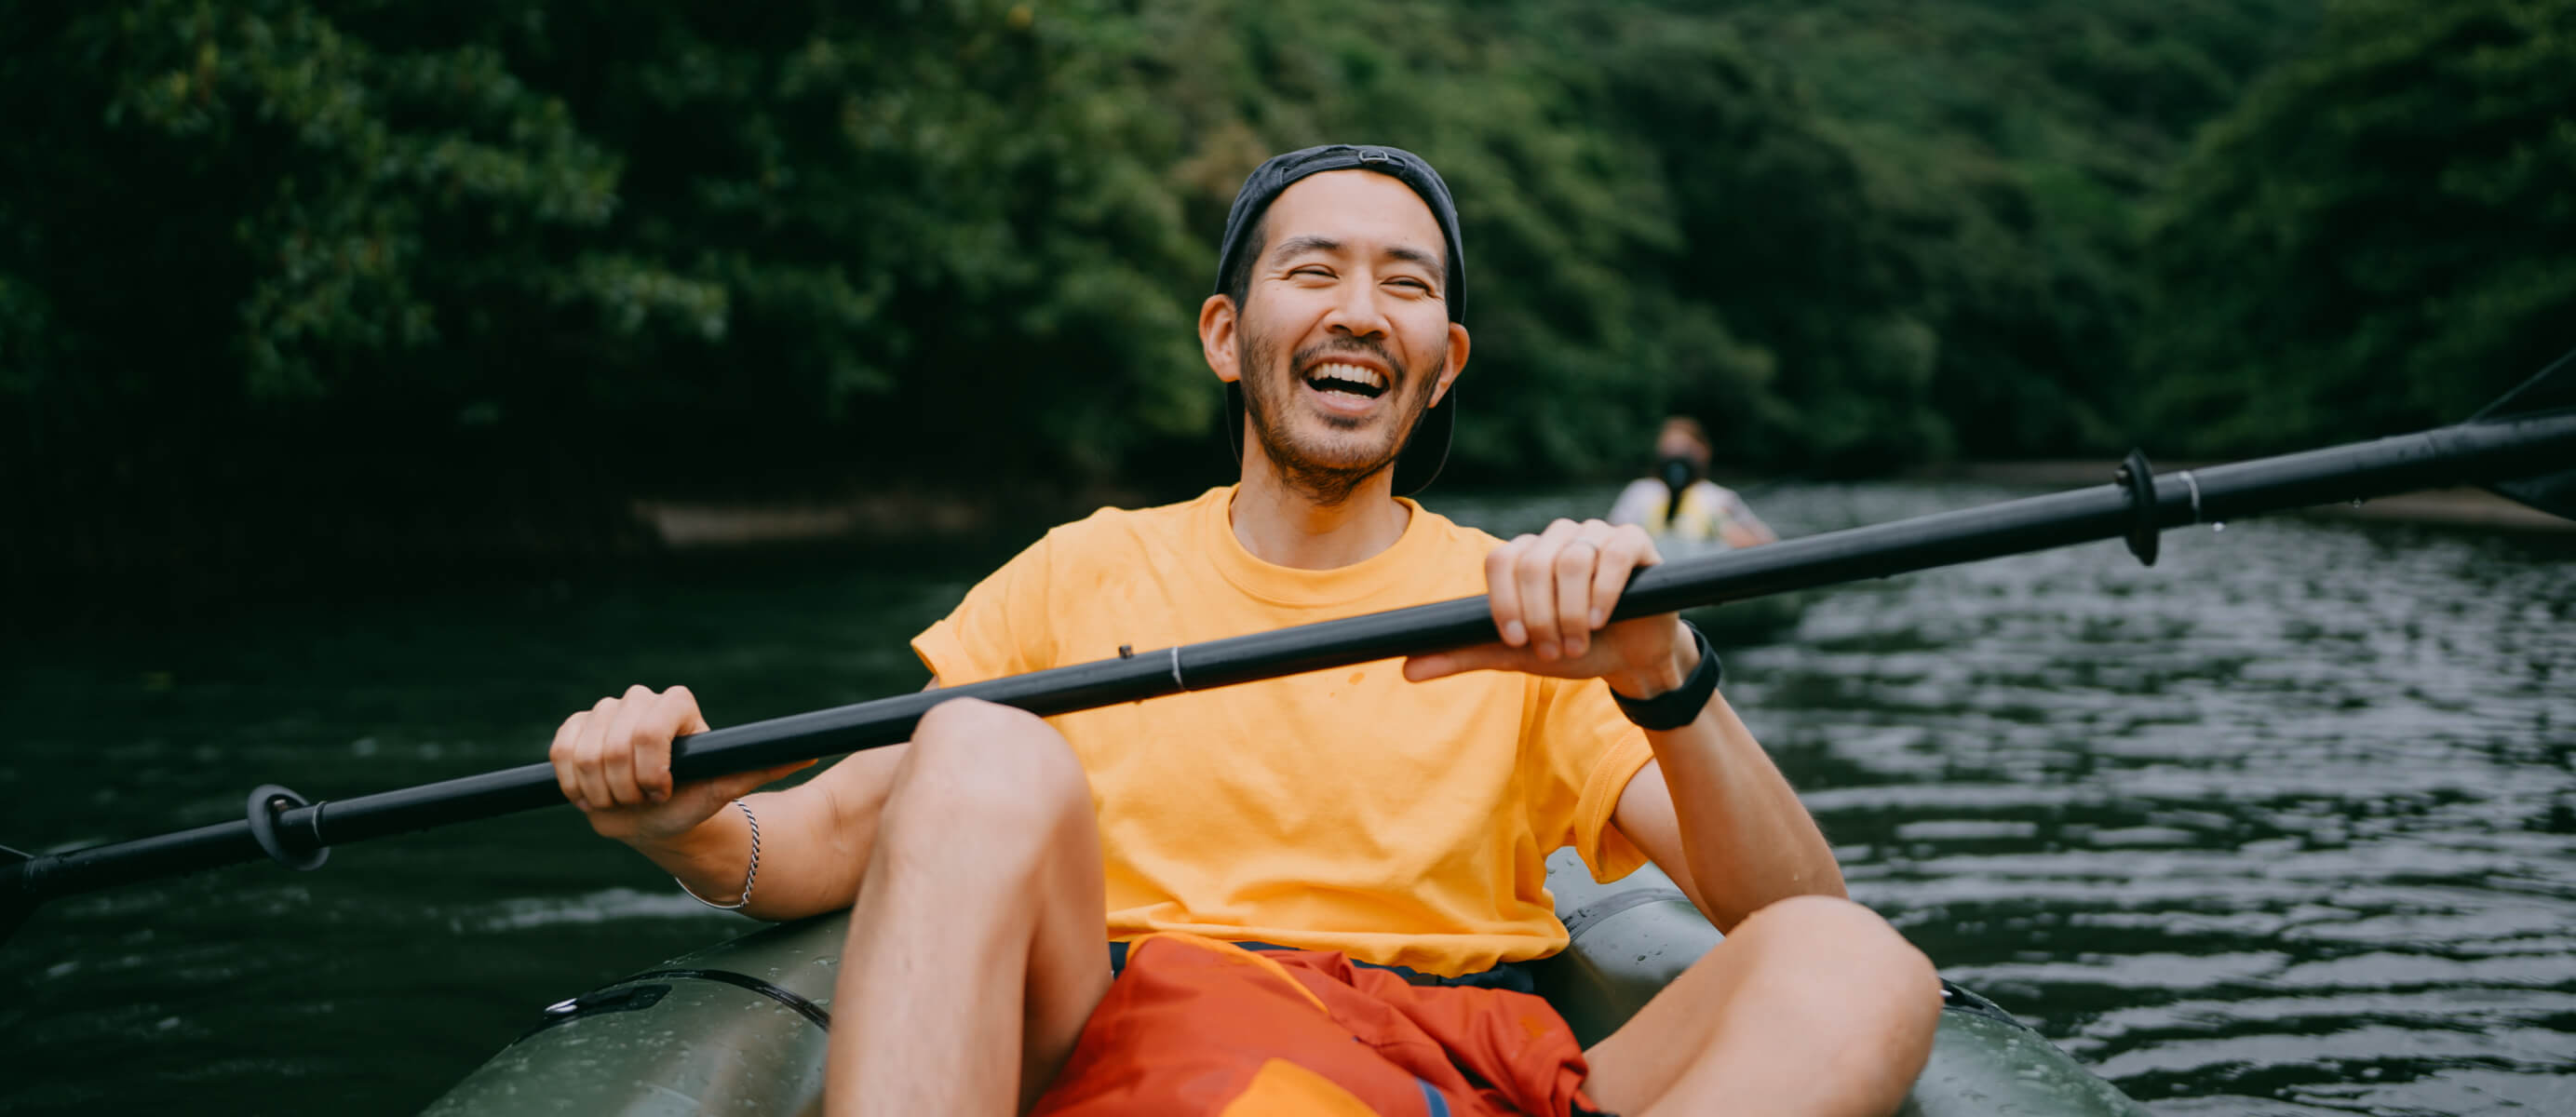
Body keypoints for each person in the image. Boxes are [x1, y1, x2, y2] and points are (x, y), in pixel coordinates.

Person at [546, 144, 1937, 1116]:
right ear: (1228, 334)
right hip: (1128, 1033)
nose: (1357, 310)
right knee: (979, 745)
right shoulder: (1084, 569)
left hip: (1450, 1052)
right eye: (1314, 270)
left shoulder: (1539, 607)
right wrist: (681, 815)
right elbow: (822, 836)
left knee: (1864, 965)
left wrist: (1665, 673)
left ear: (1443, 364)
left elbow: (1789, 920)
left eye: (1406, 283)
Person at [1608, 417, 1777, 552]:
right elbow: (1611, 538)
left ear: (1704, 451)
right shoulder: (1639, 492)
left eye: (1684, 449)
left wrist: (1729, 531)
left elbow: (1769, 547)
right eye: (1670, 449)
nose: (1677, 456)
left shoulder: (1722, 498)